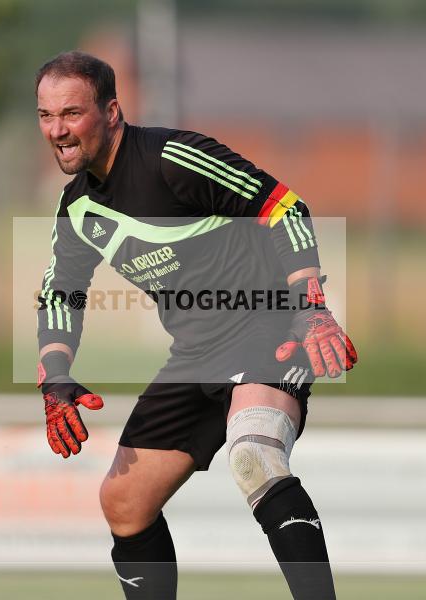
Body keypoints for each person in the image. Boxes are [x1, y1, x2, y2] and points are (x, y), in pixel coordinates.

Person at [34, 50, 356, 600]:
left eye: (71, 113)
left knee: (255, 456)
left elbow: (285, 207)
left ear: (111, 112)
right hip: (196, 354)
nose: (57, 130)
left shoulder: (173, 158)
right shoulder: (77, 208)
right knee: (124, 503)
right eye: (46, 115)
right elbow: (60, 291)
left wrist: (312, 308)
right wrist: (54, 374)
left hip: (269, 329)